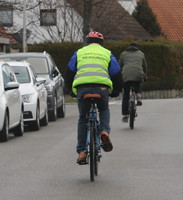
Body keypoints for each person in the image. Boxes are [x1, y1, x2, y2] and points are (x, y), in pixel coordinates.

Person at [65, 31, 122, 165]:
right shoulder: (107, 53)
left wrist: (70, 90)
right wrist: (116, 91)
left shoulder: (79, 53)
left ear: (87, 42)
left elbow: (69, 73)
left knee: (82, 118)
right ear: (101, 43)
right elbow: (117, 74)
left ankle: (82, 152)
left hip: (82, 88)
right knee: (103, 109)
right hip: (101, 88)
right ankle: (104, 131)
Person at [118, 43, 147, 123]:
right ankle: (138, 96)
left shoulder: (123, 54)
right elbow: (145, 66)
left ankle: (125, 116)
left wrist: (119, 75)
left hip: (126, 75)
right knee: (138, 83)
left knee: (126, 95)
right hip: (138, 74)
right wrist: (145, 75)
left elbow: (119, 65)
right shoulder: (141, 53)